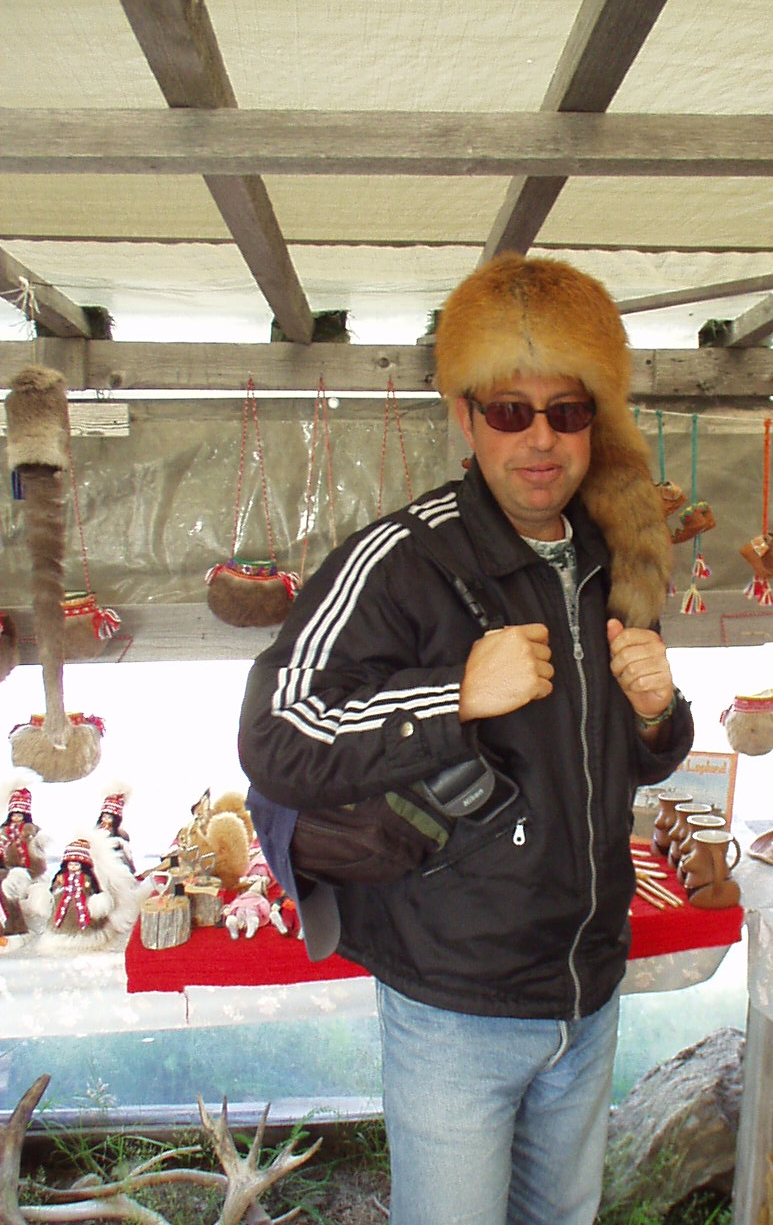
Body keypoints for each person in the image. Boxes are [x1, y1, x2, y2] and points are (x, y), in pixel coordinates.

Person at [238, 253, 694, 1225]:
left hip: (587, 992)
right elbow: (277, 730)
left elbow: (627, 759)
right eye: (510, 410)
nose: (541, 437)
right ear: (466, 416)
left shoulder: (611, 560)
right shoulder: (404, 558)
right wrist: (455, 693)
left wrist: (659, 713)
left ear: (595, 422)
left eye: (567, 411)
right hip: (455, 1007)